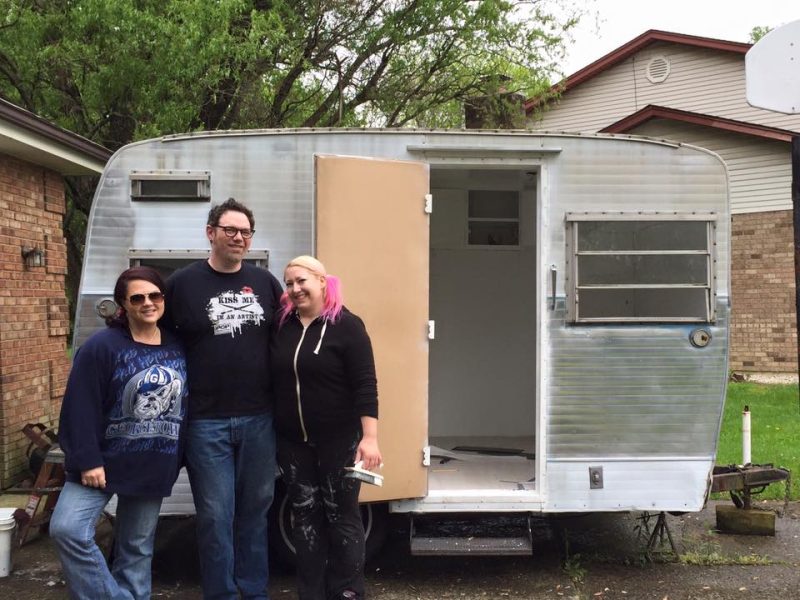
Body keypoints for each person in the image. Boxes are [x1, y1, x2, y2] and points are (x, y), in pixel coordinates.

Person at [163, 198, 283, 599]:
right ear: (210, 232)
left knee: (255, 512)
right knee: (215, 516)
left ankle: (253, 590)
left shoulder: (265, 283)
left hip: (259, 419)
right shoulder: (181, 284)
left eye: (245, 232)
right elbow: (157, 337)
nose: (238, 237)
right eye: (230, 230)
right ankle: (221, 593)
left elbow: (286, 338)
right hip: (205, 420)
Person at [50, 266, 187, 600]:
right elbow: (79, 407)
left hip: (153, 463)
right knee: (68, 530)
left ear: (163, 299)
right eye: (137, 297)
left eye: (154, 295)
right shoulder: (102, 347)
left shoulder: (178, 346)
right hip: (101, 464)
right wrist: (87, 460)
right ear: (123, 305)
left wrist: (180, 457)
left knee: (136, 552)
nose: (148, 303)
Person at [270, 255, 381, 600]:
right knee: (304, 515)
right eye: (289, 283)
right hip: (293, 442)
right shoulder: (283, 325)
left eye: (302, 281)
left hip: (340, 440)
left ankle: (347, 591)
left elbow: (365, 384)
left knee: (342, 515)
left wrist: (370, 438)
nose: (295, 289)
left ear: (322, 281)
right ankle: (311, 593)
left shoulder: (347, 326)